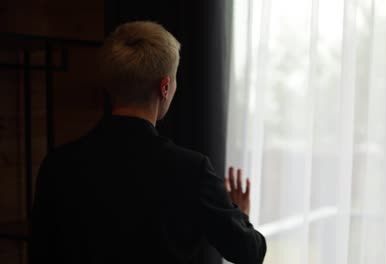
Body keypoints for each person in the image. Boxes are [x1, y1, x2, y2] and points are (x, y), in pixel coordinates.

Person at [31, 21, 266, 264]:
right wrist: (240, 214)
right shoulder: (192, 170)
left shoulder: (58, 165)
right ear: (165, 87)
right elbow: (249, 252)